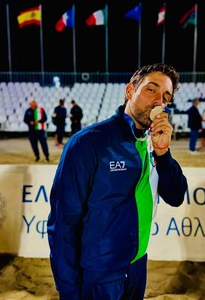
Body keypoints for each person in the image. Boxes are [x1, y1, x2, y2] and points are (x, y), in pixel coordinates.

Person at [47, 63, 188, 300]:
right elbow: (63, 222)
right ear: (130, 91)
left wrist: (163, 153)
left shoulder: (153, 143)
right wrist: (69, 291)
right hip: (99, 273)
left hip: (137, 266)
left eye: (166, 96)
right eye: (151, 90)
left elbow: (175, 196)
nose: (158, 101)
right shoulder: (88, 143)